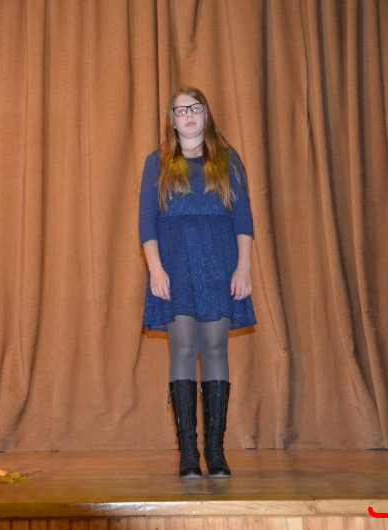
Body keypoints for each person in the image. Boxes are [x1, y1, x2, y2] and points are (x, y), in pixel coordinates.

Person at [139, 86, 256, 479]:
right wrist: (156, 269)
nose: (188, 115)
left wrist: (243, 268)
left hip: (219, 264)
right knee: (184, 348)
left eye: (195, 108)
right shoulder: (156, 163)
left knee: (216, 346)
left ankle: (216, 451)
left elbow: (243, 218)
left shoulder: (228, 160)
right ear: (172, 121)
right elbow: (147, 221)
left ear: (206, 114)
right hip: (175, 265)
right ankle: (188, 452)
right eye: (180, 110)